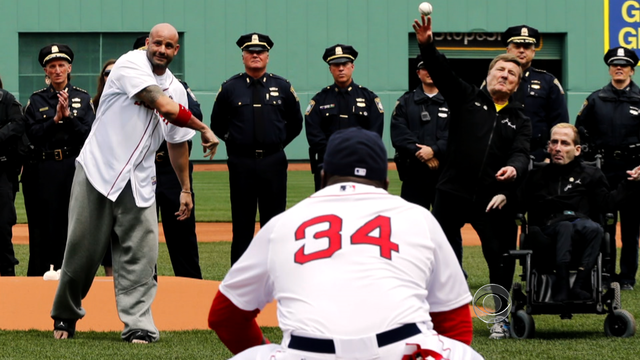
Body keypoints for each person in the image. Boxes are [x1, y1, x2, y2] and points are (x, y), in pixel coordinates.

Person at [208, 127, 483, 360]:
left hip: (307, 353)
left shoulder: (283, 224)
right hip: (402, 349)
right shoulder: (418, 218)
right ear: (385, 182)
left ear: (324, 175)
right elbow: (455, 322)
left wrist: (266, 349)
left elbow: (225, 316)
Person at [50, 23, 219, 343]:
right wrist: (204, 128)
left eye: (169, 46)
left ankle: (138, 323)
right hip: (98, 169)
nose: (162, 50)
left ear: (176, 50)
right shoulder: (130, 64)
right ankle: (65, 316)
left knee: (141, 255)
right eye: (157, 44)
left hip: (139, 179)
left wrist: (185, 188)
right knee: (82, 251)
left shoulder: (177, 88)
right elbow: (163, 106)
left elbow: (177, 143)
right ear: (147, 43)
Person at [413, 15, 531, 340]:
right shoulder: (466, 97)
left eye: (512, 74)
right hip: (451, 192)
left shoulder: (520, 119)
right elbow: (442, 72)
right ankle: (439, 319)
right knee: (441, 257)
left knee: (500, 256)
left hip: (492, 198)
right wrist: (426, 44)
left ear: (517, 85)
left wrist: (515, 169)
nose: (505, 76)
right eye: (500, 71)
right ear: (488, 75)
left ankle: (500, 319)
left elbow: (522, 152)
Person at [518, 123, 640, 301]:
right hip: (547, 235)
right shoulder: (536, 175)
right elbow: (519, 203)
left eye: (565, 143)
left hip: (582, 233)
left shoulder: (590, 174)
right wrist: (503, 196)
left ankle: (578, 285)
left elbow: (608, 204)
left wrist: (631, 183)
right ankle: (562, 285)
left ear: (577, 150)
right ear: (548, 146)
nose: (558, 148)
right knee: (565, 227)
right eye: (554, 142)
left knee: (595, 228)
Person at [210, 33, 303, 265]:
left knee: (274, 224)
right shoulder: (230, 88)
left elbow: (295, 124)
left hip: (273, 162)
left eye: (260, 51)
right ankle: (240, 280)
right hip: (241, 163)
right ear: (243, 56)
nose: (255, 55)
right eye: (250, 51)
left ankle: (274, 274)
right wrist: (236, 141)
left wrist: (276, 142)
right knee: (242, 224)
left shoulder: (282, 87)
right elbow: (217, 124)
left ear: (267, 57)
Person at [22, 44, 95, 277]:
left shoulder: (83, 99)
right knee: (42, 223)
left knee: (71, 221)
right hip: (43, 168)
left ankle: (70, 272)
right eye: (51, 66)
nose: (57, 70)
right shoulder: (36, 100)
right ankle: (39, 272)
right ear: (46, 71)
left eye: (61, 65)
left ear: (69, 68)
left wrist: (69, 118)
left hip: (71, 166)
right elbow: (30, 134)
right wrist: (53, 120)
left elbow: (90, 134)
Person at [133, 36, 203, 279]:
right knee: (140, 234)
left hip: (171, 168)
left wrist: (167, 103)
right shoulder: (126, 88)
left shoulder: (177, 86)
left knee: (182, 232)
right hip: (140, 168)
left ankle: (191, 286)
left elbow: (194, 115)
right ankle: (143, 287)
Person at [575, 46, 640, 291]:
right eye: (615, 65)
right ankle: (605, 272)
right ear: (610, 69)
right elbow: (580, 130)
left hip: (633, 172)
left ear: (632, 70)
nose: (619, 68)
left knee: (631, 228)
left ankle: (627, 278)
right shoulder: (595, 99)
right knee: (603, 226)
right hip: (603, 171)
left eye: (624, 65)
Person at [305, 44, 385, 191]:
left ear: (352, 67)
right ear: (330, 69)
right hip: (329, 167)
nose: (341, 68)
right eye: (336, 64)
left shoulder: (369, 99)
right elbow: (314, 135)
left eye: (345, 64)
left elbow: (374, 134)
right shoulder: (320, 100)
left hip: (361, 166)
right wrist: (335, 154)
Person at [502, 25, 569, 161]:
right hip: (501, 154)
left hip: (538, 157)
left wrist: (551, 155)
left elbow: (560, 123)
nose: (521, 50)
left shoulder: (548, 82)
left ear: (533, 52)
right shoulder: (495, 80)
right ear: (508, 50)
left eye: (526, 47)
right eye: (517, 46)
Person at [391, 54, 449, 209]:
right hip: (414, 175)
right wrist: (423, 154)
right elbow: (399, 135)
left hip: (444, 176)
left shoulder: (454, 102)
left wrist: (434, 150)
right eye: (424, 68)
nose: (429, 71)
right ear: (418, 73)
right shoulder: (405, 102)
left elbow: (457, 133)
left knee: (447, 229)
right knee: (412, 227)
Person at [93, 59, 116, 277]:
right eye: (107, 72)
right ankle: (110, 276)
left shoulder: (133, 101)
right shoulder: (93, 104)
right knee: (105, 228)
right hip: (103, 172)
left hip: (128, 172)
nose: (111, 76)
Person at [0, 76, 24, 276]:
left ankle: (7, 274)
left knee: (2, 224)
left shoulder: (6, 100)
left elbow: (18, 124)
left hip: (1, 172)